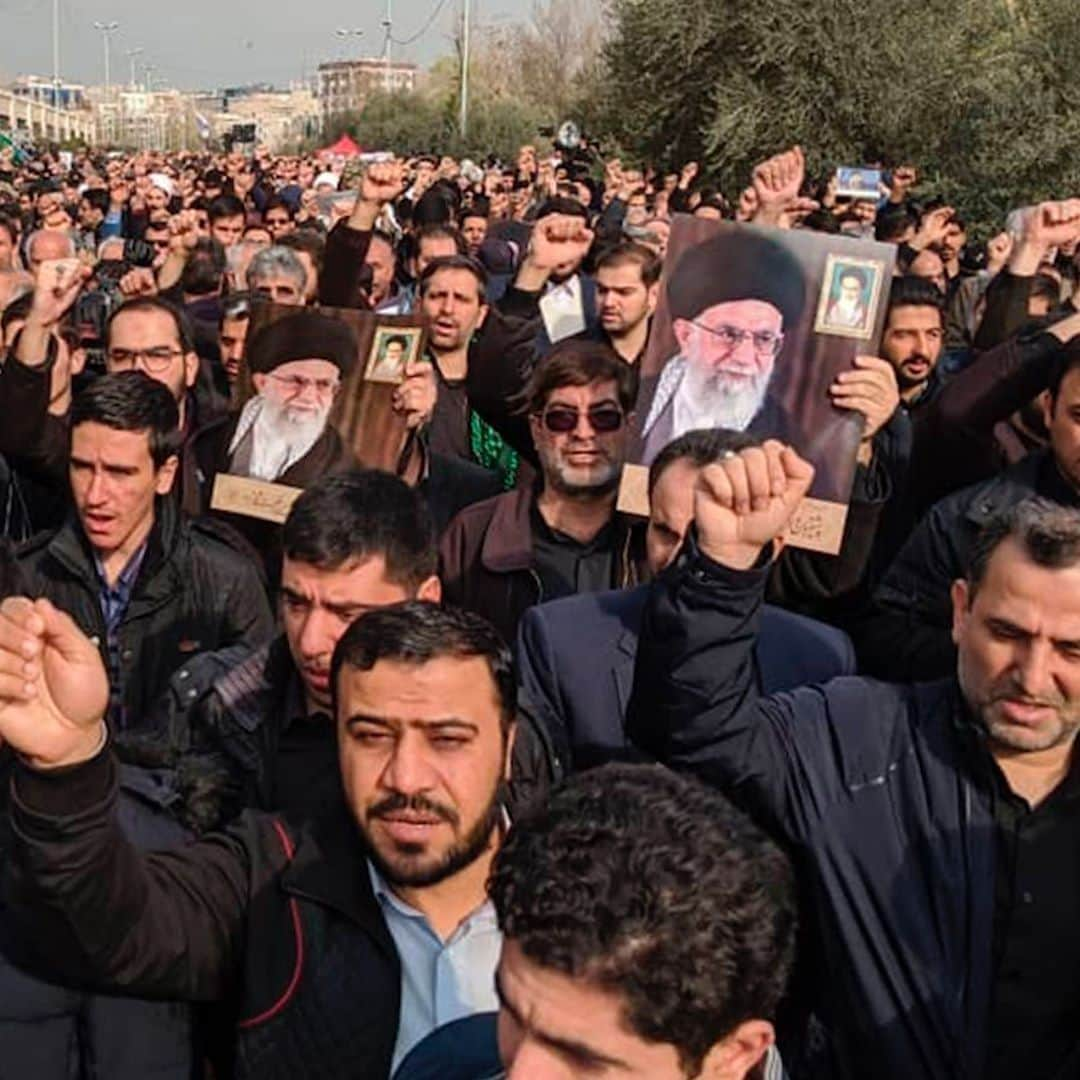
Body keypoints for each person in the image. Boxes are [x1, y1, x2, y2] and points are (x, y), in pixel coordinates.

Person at [627, 441, 1080, 1080]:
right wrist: (724, 569)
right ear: (959, 611)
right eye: (1007, 634)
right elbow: (695, 734)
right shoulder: (854, 736)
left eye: (1072, 651)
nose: (1033, 676)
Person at [0, 601, 523, 1079]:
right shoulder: (274, 874)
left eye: (447, 740)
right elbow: (110, 926)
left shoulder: (589, 891)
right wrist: (66, 766)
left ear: (507, 744)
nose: (406, 778)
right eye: (371, 736)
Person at [516, 427, 859, 771]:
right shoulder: (561, 639)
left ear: (775, 542)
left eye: (704, 536)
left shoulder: (820, 657)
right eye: (665, 532)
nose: (680, 555)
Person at [490, 764, 797, 1080]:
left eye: (582, 1058)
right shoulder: (449, 1058)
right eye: (511, 1013)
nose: (521, 1072)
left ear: (734, 1055)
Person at [174, 470, 442, 829]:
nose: (310, 642)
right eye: (296, 604)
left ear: (424, 602)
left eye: (347, 614)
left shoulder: (493, 733)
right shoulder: (221, 706)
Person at [17, 371, 273, 731]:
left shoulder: (227, 580)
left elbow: (257, 719)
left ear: (165, 474)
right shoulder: (28, 575)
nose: (95, 495)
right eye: (82, 468)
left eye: (120, 473)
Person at [440, 340, 646, 643]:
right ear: (537, 430)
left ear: (629, 427)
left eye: (603, 417)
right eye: (562, 417)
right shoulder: (474, 535)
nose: (583, 432)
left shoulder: (656, 534)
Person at [639, 229, 807, 463]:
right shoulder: (636, 400)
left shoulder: (792, 442)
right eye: (728, 334)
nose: (744, 358)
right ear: (685, 336)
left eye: (764, 339)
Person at [195, 309, 355, 488]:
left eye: (323, 385)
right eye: (295, 381)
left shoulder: (346, 466)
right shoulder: (209, 436)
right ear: (261, 383)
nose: (307, 397)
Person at [824, 265, 870, 330]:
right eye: (845, 287)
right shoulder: (827, 306)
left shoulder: (866, 313)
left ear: (861, 290)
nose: (848, 293)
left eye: (854, 289)